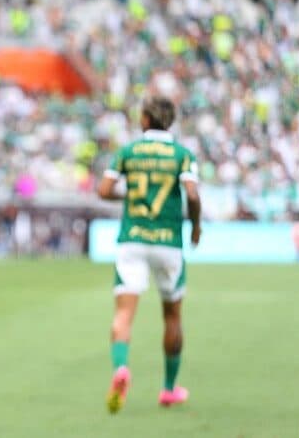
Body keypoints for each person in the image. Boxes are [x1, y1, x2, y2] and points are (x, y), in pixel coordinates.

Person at [97, 96, 202, 413]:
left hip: (133, 239)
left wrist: (129, 193)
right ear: (170, 121)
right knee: (172, 316)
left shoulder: (129, 151)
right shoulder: (182, 154)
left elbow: (103, 190)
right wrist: (195, 226)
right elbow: (193, 194)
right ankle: (169, 389)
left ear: (144, 120)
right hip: (168, 241)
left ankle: (121, 368)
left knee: (123, 313)